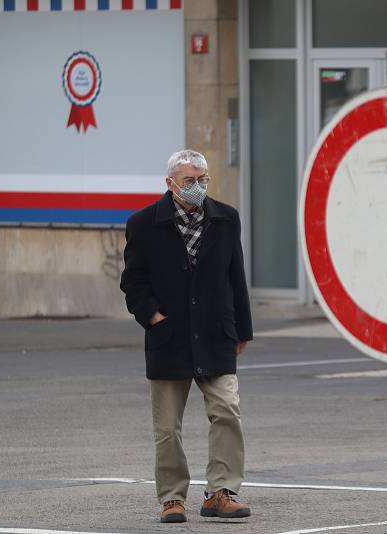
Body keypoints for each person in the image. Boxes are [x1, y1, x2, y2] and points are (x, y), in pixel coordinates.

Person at [120, 149, 253, 523]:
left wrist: (243, 328)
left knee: (227, 410)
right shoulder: (144, 223)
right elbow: (132, 282)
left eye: (203, 179)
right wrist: (154, 317)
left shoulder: (227, 219)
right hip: (169, 337)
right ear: (170, 184)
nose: (198, 186)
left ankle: (221, 492)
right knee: (167, 428)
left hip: (216, 334)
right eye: (189, 180)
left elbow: (236, 276)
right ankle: (172, 498)